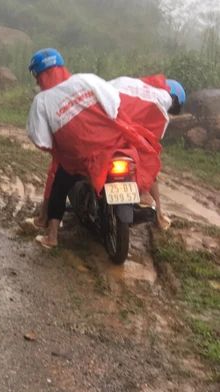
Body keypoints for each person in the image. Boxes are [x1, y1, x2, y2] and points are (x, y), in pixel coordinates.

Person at [25, 49, 163, 248]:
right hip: (113, 144)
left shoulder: (42, 101)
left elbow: (41, 139)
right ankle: (142, 197)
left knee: (59, 185)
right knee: (134, 157)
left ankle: (52, 237)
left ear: (39, 75)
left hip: (80, 158)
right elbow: (114, 103)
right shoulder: (86, 79)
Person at [108, 75, 187, 230]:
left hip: (111, 127)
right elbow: (154, 138)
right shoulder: (161, 100)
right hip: (126, 131)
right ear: (174, 99)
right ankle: (157, 215)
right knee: (150, 162)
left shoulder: (128, 83)